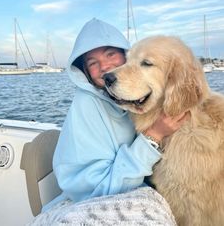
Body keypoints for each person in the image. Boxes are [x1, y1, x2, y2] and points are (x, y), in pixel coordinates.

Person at [43, 18, 186, 211]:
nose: (104, 67)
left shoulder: (135, 96)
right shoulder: (87, 104)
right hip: (92, 201)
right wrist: (154, 135)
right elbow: (96, 189)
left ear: (127, 54)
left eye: (111, 55)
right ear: (86, 73)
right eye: (93, 63)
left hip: (137, 186)